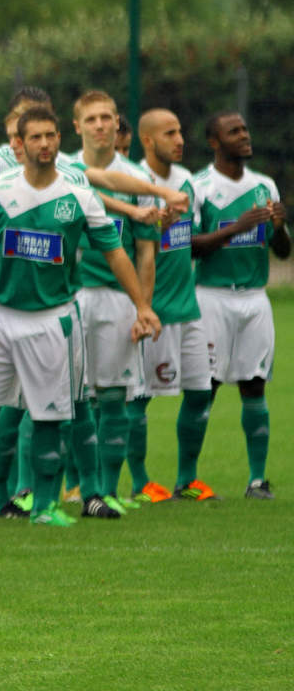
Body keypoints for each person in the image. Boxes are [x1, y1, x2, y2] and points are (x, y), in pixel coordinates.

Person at [0, 107, 160, 527]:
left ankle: (45, 505)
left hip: (52, 318)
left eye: (51, 135)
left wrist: (142, 306)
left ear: (59, 139)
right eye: (35, 137)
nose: (45, 144)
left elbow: (115, 253)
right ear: (20, 144)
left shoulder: (78, 194)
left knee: (51, 416)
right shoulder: (1, 191)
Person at [69, 90, 160, 517]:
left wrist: (144, 308)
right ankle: (73, 486)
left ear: (117, 122)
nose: (101, 125)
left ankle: (105, 489)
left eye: (107, 117)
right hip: (69, 297)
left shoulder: (138, 179)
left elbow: (146, 253)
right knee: (70, 398)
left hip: (118, 300)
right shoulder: (64, 170)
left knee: (113, 397)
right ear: (77, 126)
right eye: (92, 119)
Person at [191, 111, 289, 499]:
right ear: (214, 142)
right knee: (205, 388)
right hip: (212, 297)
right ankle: (186, 480)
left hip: (254, 298)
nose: (244, 136)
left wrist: (278, 228)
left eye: (245, 129)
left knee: (255, 385)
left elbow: (283, 251)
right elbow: (190, 246)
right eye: (234, 131)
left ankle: (257, 480)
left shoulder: (264, 185)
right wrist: (237, 228)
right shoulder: (198, 186)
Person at [132, 109, 216, 501]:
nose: (180, 139)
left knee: (200, 393)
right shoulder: (134, 181)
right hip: (153, 309)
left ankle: (187, 479)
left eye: (180, 131)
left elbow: (189, 238)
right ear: (148, 140)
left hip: (188, 307)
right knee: (137, 398)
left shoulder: (186, 181)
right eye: (170, 133)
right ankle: (139, 482)